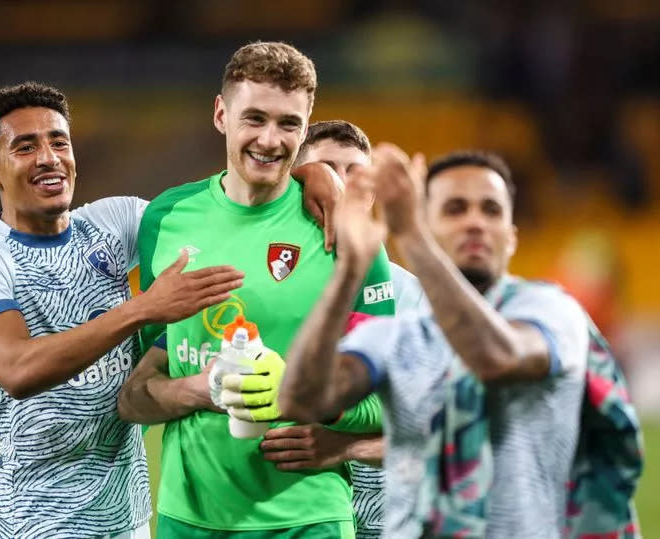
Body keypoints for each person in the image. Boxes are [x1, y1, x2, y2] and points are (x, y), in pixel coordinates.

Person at [0, 82, 247, 539]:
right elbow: (17, 368)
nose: (48, 156)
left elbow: (222, 204)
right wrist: (142, 309)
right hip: (35, 522)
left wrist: (309, 174)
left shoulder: (114, 221)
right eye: (25, 147)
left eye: (58, 141)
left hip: (127, 518)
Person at [117, 42, 397, 538]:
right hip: (190, 518)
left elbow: (397, 398)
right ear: (221, 114)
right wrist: (196, 390)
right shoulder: (165, 219)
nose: (270, 140)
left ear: (306, 128)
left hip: (308, 518)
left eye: (289, 124)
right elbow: (137, 395)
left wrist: (306, 398)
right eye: (255, 118)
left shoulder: (346, 234)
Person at [278, 147, 596, 537]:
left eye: (491, 210)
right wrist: (348, 274)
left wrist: (409, 234)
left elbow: (496, 360)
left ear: (512, 237)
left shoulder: (551, 312)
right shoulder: (395, 333)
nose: (475, 223)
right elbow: (302, 398)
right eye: (455, 209)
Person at [259, 119, 424, 539]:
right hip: (287, 512)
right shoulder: (264, 283)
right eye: (329, 169)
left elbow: (442, 427)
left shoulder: (413, 297)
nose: (344, 184)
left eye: (356, 172)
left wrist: (346, 447)